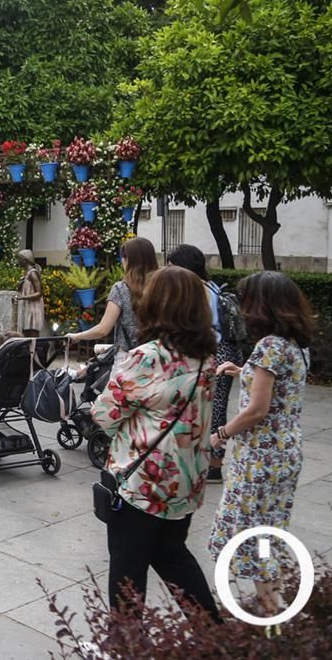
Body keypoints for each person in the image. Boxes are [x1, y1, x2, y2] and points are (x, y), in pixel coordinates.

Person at [92, 266, 221, 622]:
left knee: (128, 574)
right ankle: (213, 634)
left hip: (143, 485)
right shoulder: (206, 357)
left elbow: (104, 415)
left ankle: (127, 643)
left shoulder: (147, 357)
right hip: (185, 483)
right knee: (173, 557)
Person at [207, 271, 313, 617]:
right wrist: (244, 371)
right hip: (285, 453)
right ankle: (273, 606)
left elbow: (257, 410)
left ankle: (269, 613)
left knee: (251, 533)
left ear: (263, 305)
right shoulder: (294, 345)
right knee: (267, 531)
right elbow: (279, 384)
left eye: (247, 300)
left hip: (260, 458)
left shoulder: (269, 347)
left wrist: (221, 433)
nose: (243, 308)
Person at [166, 244, 239, 483]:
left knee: (213, 410)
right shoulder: (211, 286)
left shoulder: (196, 289)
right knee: (215, 408)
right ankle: (211, 462)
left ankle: (213, 465)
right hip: (226, 349)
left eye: (172, 266)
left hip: (215, 351)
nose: (169, 271)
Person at [68, 237, 159, 361]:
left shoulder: (121, 289)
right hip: (157, 357)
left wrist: (77, 336)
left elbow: (103, 329)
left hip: (129, 360)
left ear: (128, 260)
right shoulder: (161, 287)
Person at [13, 249, 45, 336]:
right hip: (28, 308)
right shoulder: (26, 274)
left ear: (24, 260)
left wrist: (22, 298)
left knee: (32, 334)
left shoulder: (33, 273)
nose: (18, 261)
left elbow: (39, 293)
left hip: (33, 309)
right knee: (26, 334)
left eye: (19, 259)